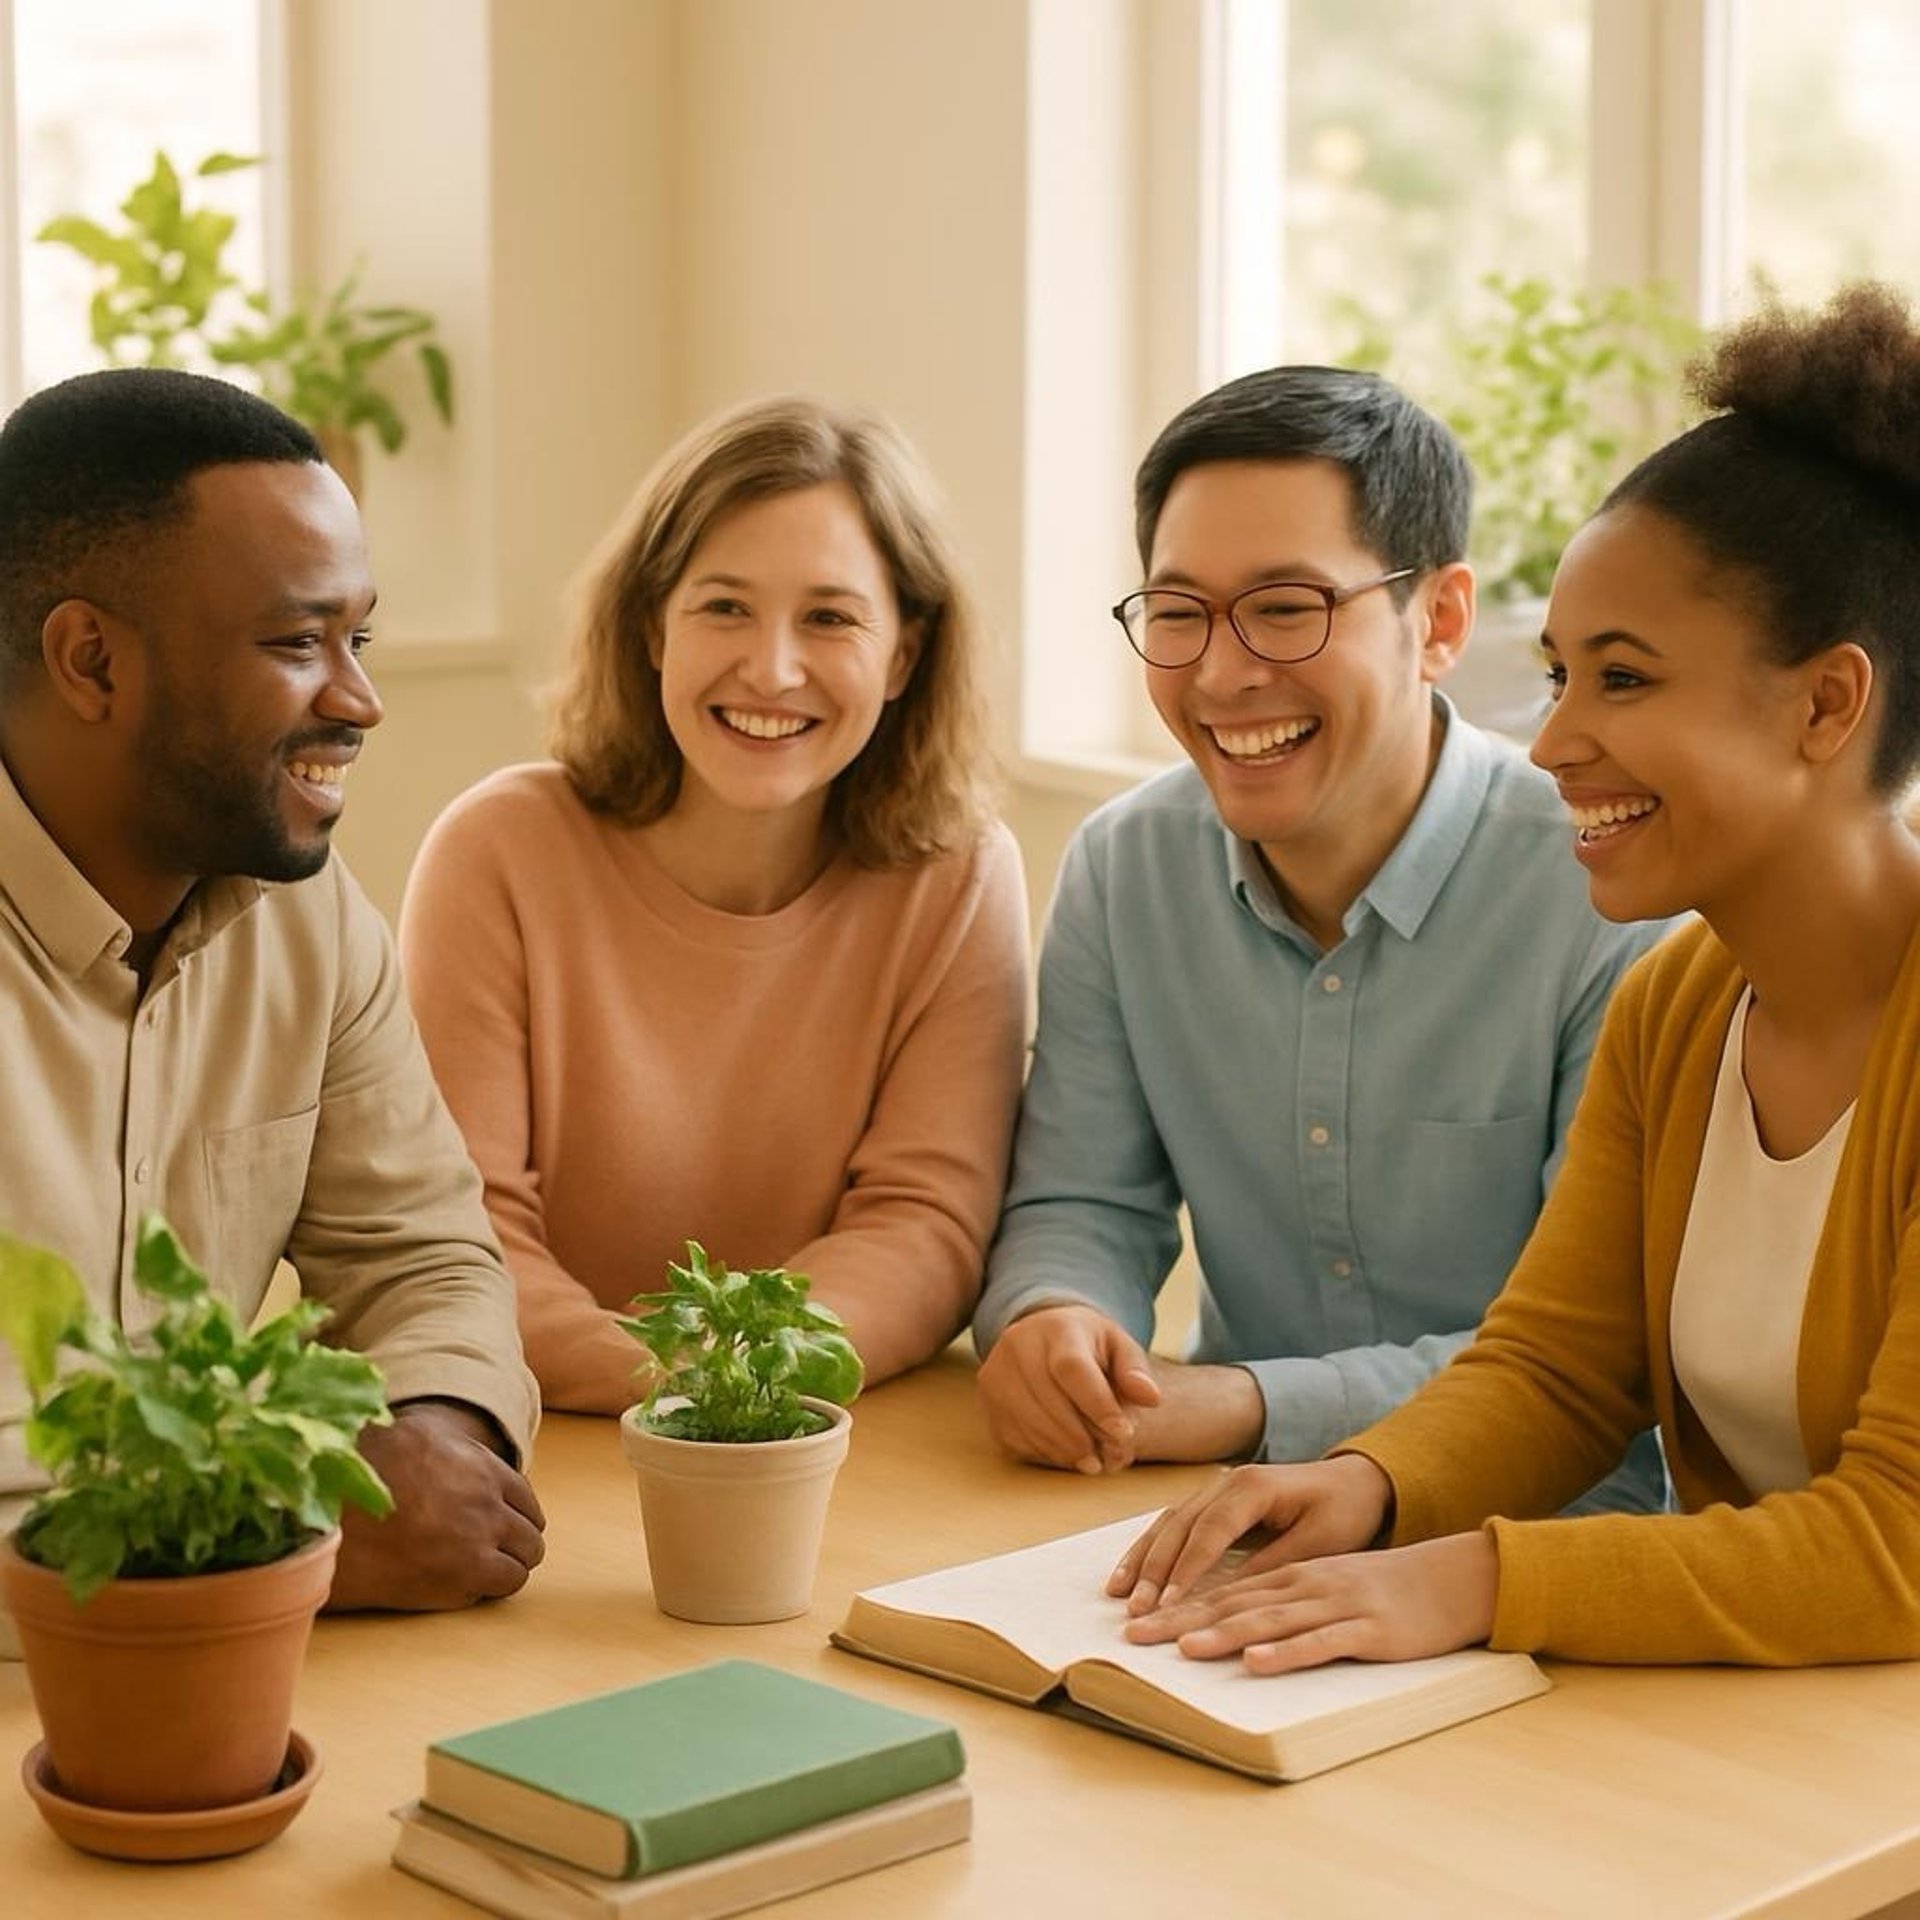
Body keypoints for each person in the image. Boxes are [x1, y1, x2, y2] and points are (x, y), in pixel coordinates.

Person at [1111, 282, 1920, 1669]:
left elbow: (1896, 1547)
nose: (1549, 746)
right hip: (1778, 1725)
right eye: (1556, 678)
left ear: (1825, 705)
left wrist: (1472, 1583)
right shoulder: (1676, 1007)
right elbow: (1557, 1367)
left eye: (1621, 680)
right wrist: (1363, 1487)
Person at [972, 366, 1669, 1503]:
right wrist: (1060, 1317)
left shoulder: (1606, 890)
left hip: (1554, 1528)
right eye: (1180, 612)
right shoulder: (1124, 866)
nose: (1224, 672)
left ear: (1438, 621)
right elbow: (1081, 1199)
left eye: (1287, 610)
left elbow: (1602, 1354)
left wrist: (1249, 1404)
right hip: (1229, 1513)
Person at [0, 368, 545, 1632]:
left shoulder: (306, 909)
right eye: (298, 644)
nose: (358, 700)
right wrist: (291, 1536)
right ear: (90, 659)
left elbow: (423, 1253)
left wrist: (431, 1436)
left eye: (361, 639)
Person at [400, 397, 1028, 1414]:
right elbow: (461, 1232)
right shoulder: (497, 854)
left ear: (904, 656)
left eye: (829, 618)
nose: (772, 669)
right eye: (724, 607)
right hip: (530, 1435)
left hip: (813, 1439)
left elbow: (923, 1228)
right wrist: (675, 1391)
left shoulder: (958, 880)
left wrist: (741, 1392)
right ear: (654, 625)